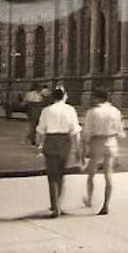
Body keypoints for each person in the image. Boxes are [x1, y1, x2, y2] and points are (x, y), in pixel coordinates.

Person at [35, 86, 81, 217]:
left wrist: (39, 145)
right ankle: (58, 203)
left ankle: (55, 206)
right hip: (65, 142)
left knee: (52, 175)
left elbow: (40, 130)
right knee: (61, 174)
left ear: (53, 97)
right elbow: (75, 131)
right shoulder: (71, 110)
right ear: (64, 96)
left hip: (51, 141)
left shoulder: (46, 110)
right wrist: (78, 149)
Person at [82, 87, 125, 216]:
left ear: (97, 98)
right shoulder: (116, 111)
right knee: (108, 174)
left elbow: (87, 131)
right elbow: (120, 132)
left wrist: (85, 145)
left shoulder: (93, 112)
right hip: (111, 142)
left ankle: (89, 199)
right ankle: (106, 204)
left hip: (97, 141)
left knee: (91, 173)